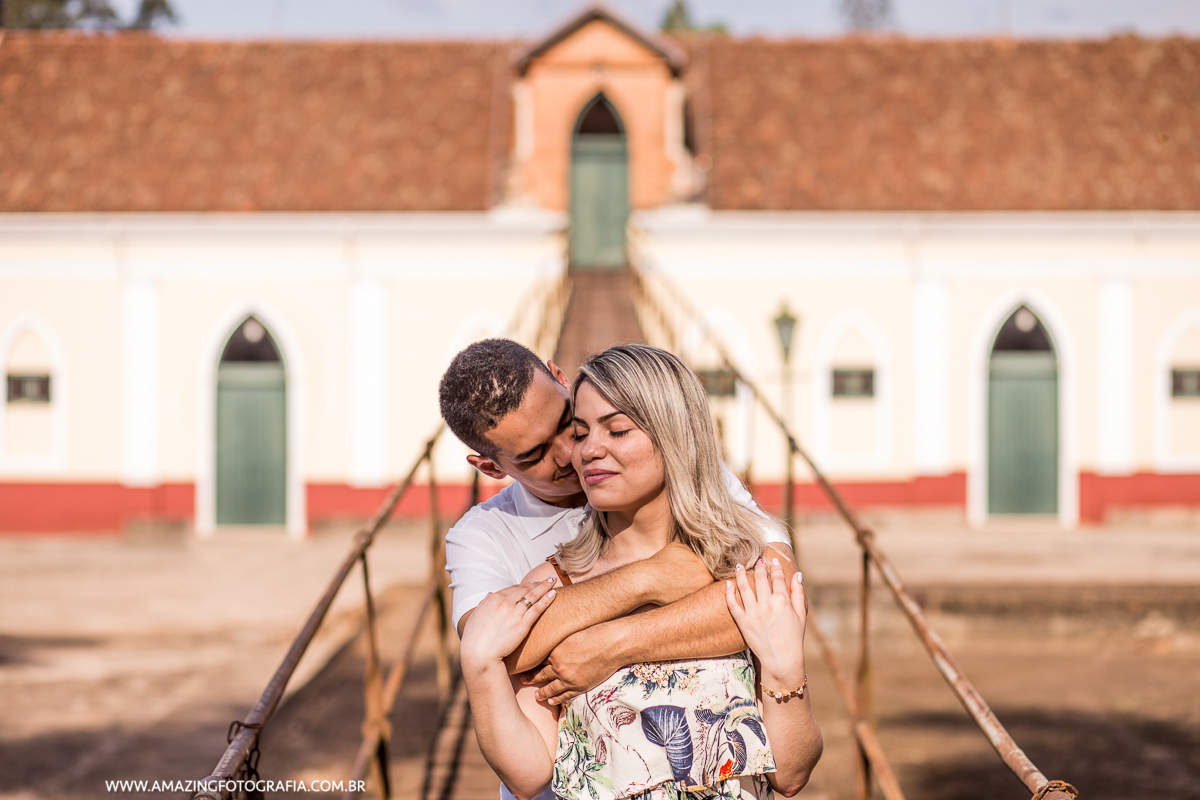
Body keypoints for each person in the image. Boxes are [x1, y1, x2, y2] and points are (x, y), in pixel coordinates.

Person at [458, 344, 822, 800]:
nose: (585, 450)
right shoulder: (550, 582)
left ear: (672, 435)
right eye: (583, 431)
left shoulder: (739, 557)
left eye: (617, 431)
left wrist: (787, 674)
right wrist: (478, 665)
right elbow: (529, 771)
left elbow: (790, 775)